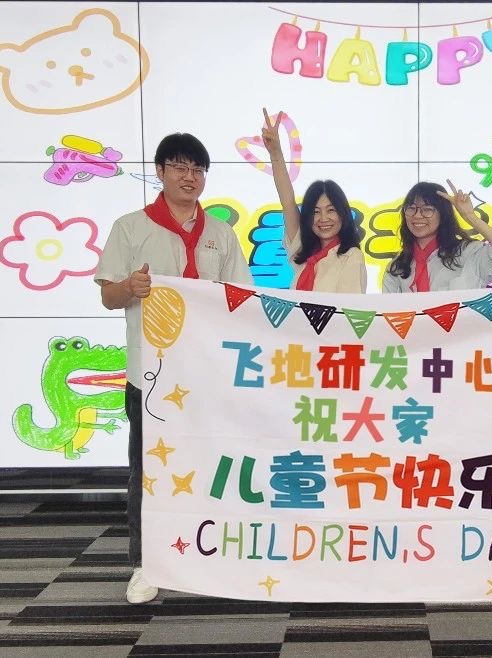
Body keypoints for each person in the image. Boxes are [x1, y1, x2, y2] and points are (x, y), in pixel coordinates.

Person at [94, 133, 253, 604]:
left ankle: (209, 554)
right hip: (151, 377)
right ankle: (147, 564)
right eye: (180, 167)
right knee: (147, 472)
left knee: (212, 463)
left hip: (208, 375)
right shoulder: (130, 227)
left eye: (198, 169)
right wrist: (131, 287)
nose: (190, 177)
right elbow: (108, 297)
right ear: (160, 171)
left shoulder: (221, 233)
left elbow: (239, 298)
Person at [262, 108, 366, 292]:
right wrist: (275, 153)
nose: (323, 218)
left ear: (343, 214)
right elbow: (287, 201)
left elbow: (349, 308)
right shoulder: (303, 253)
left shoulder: (351, 256)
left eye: (331, 210)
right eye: (316, 212)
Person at [382, 180, 492, 292]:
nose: (417, 215)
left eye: (427, 209)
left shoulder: (468, 252)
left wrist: (469, 215)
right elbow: (389, 312)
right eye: (411, 208)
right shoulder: (396, 267)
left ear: (443, 214)